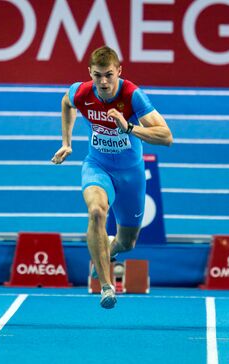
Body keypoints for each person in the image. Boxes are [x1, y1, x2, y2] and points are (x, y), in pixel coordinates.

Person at [51, 46, 173, 309]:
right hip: (97, 166)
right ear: (89, 73)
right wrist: (67, 142)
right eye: (97, 75)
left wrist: (128, 126)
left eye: (109, 75)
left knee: (127, 242)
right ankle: (106, 286)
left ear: (119, 71)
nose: (103, 82)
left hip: (131, 175)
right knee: (96, 211)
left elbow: (167, 137)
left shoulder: (133, 96)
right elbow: (66, 102)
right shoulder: (82, 91)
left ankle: (109, 249)